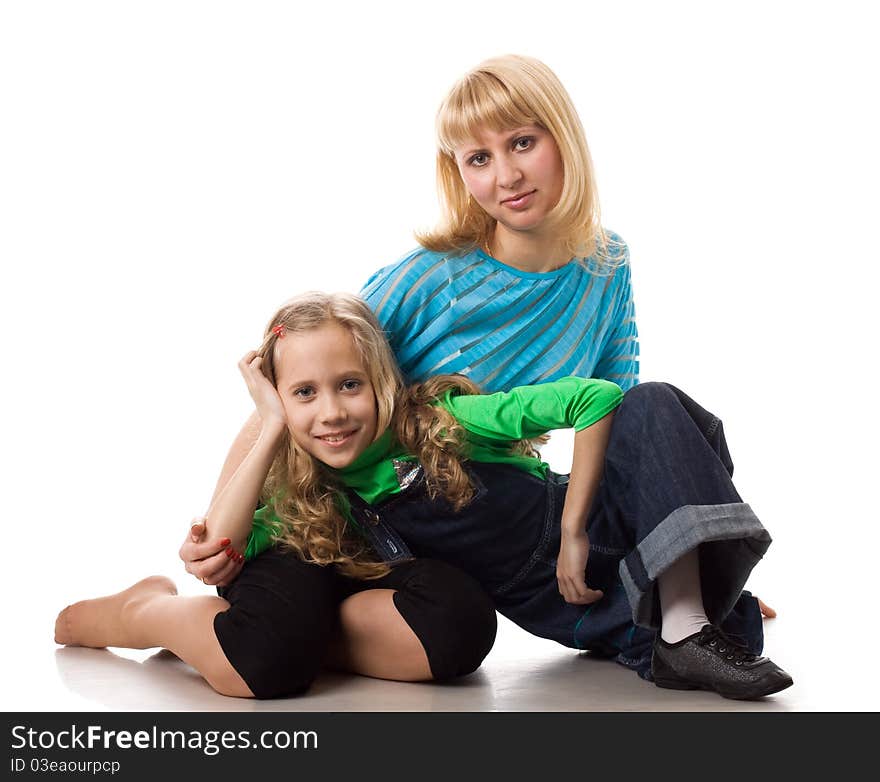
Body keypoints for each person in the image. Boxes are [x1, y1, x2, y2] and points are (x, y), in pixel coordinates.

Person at [180, 54, 771, 666]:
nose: (507, 176)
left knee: (670, 421)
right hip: (387, 509)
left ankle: (690, 610)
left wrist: (697, 556)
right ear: (458, 172)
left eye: (522, 143)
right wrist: (219, 531)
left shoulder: (606, 265)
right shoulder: (427, 280)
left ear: (563, 137)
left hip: (509, 508)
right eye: (479, 159)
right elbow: (300, 387)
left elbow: (628, 421)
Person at [58, 293, 791, 700]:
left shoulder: (439, 425)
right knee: (746, 645)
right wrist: (271, 422)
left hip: (597, 525)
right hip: (582, 607)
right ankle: (682, 615)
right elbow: (219, 543)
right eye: (303, 396)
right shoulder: (326, 493)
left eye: (349, 386)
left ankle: (688, 607)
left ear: (380, 381)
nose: (333, 412)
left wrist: (578, 530)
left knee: (653, 405)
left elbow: (597, 399)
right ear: (278, 404)